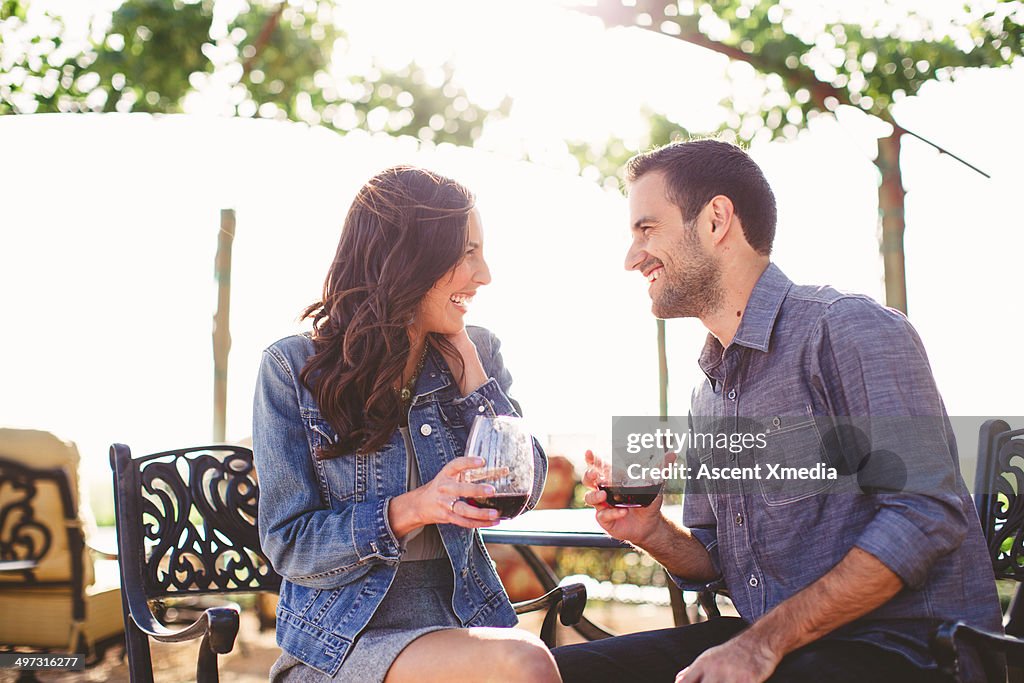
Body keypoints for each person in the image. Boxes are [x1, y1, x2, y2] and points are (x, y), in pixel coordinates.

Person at [552, 139, 1002, 683]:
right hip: (779, 642)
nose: (631, 258)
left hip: (910, 651)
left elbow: (926, 515)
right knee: (547, 671)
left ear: (717, 219)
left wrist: (762, 643)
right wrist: (651, 530)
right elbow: (715, 561)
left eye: (646, 229)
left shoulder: (846, 329)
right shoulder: (709, 392)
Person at [252, 166, 560, 683]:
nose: (484, 274)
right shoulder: (292, 368)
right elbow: (289, 543)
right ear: (409, 257)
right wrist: (412, 508)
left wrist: (469, 367)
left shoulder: (477, 350)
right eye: (467, 253)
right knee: (525, 663)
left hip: (461, 621)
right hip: (342, 643)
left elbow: (523, 486)